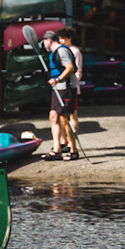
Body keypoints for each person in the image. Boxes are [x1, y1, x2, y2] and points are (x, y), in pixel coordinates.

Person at [41, 30, 77, 160]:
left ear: (49, 40)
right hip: (58, 88)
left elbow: (70, 67)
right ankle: (57, 150)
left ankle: (74, 151)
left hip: (66, 88)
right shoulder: (54, 53)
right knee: (53, 116)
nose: (43, 44)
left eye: (44, 41)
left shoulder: (62, 51)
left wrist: (58, 79)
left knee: (64, 119)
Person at [57, 27, 84, 138]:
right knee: (61, 116)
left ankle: (72, 140)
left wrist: (73, 83)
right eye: (60, 39)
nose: (61, 41)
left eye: (63, 38)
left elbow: (78, 71)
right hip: (61, 86)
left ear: (70, 38)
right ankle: (65, 140)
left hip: (71, 87)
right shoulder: (60, 51)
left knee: (73, 115)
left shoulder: (75, 51)